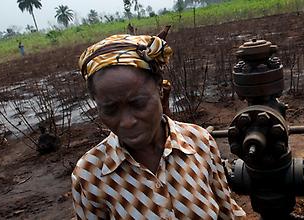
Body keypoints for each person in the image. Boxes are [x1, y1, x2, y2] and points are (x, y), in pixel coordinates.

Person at [72, 32, 245, 219]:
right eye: (111, 109)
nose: (127, 122)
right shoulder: (90, 174)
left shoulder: (199, 142)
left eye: (138, 104)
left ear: (161, 92)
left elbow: (227, 213)